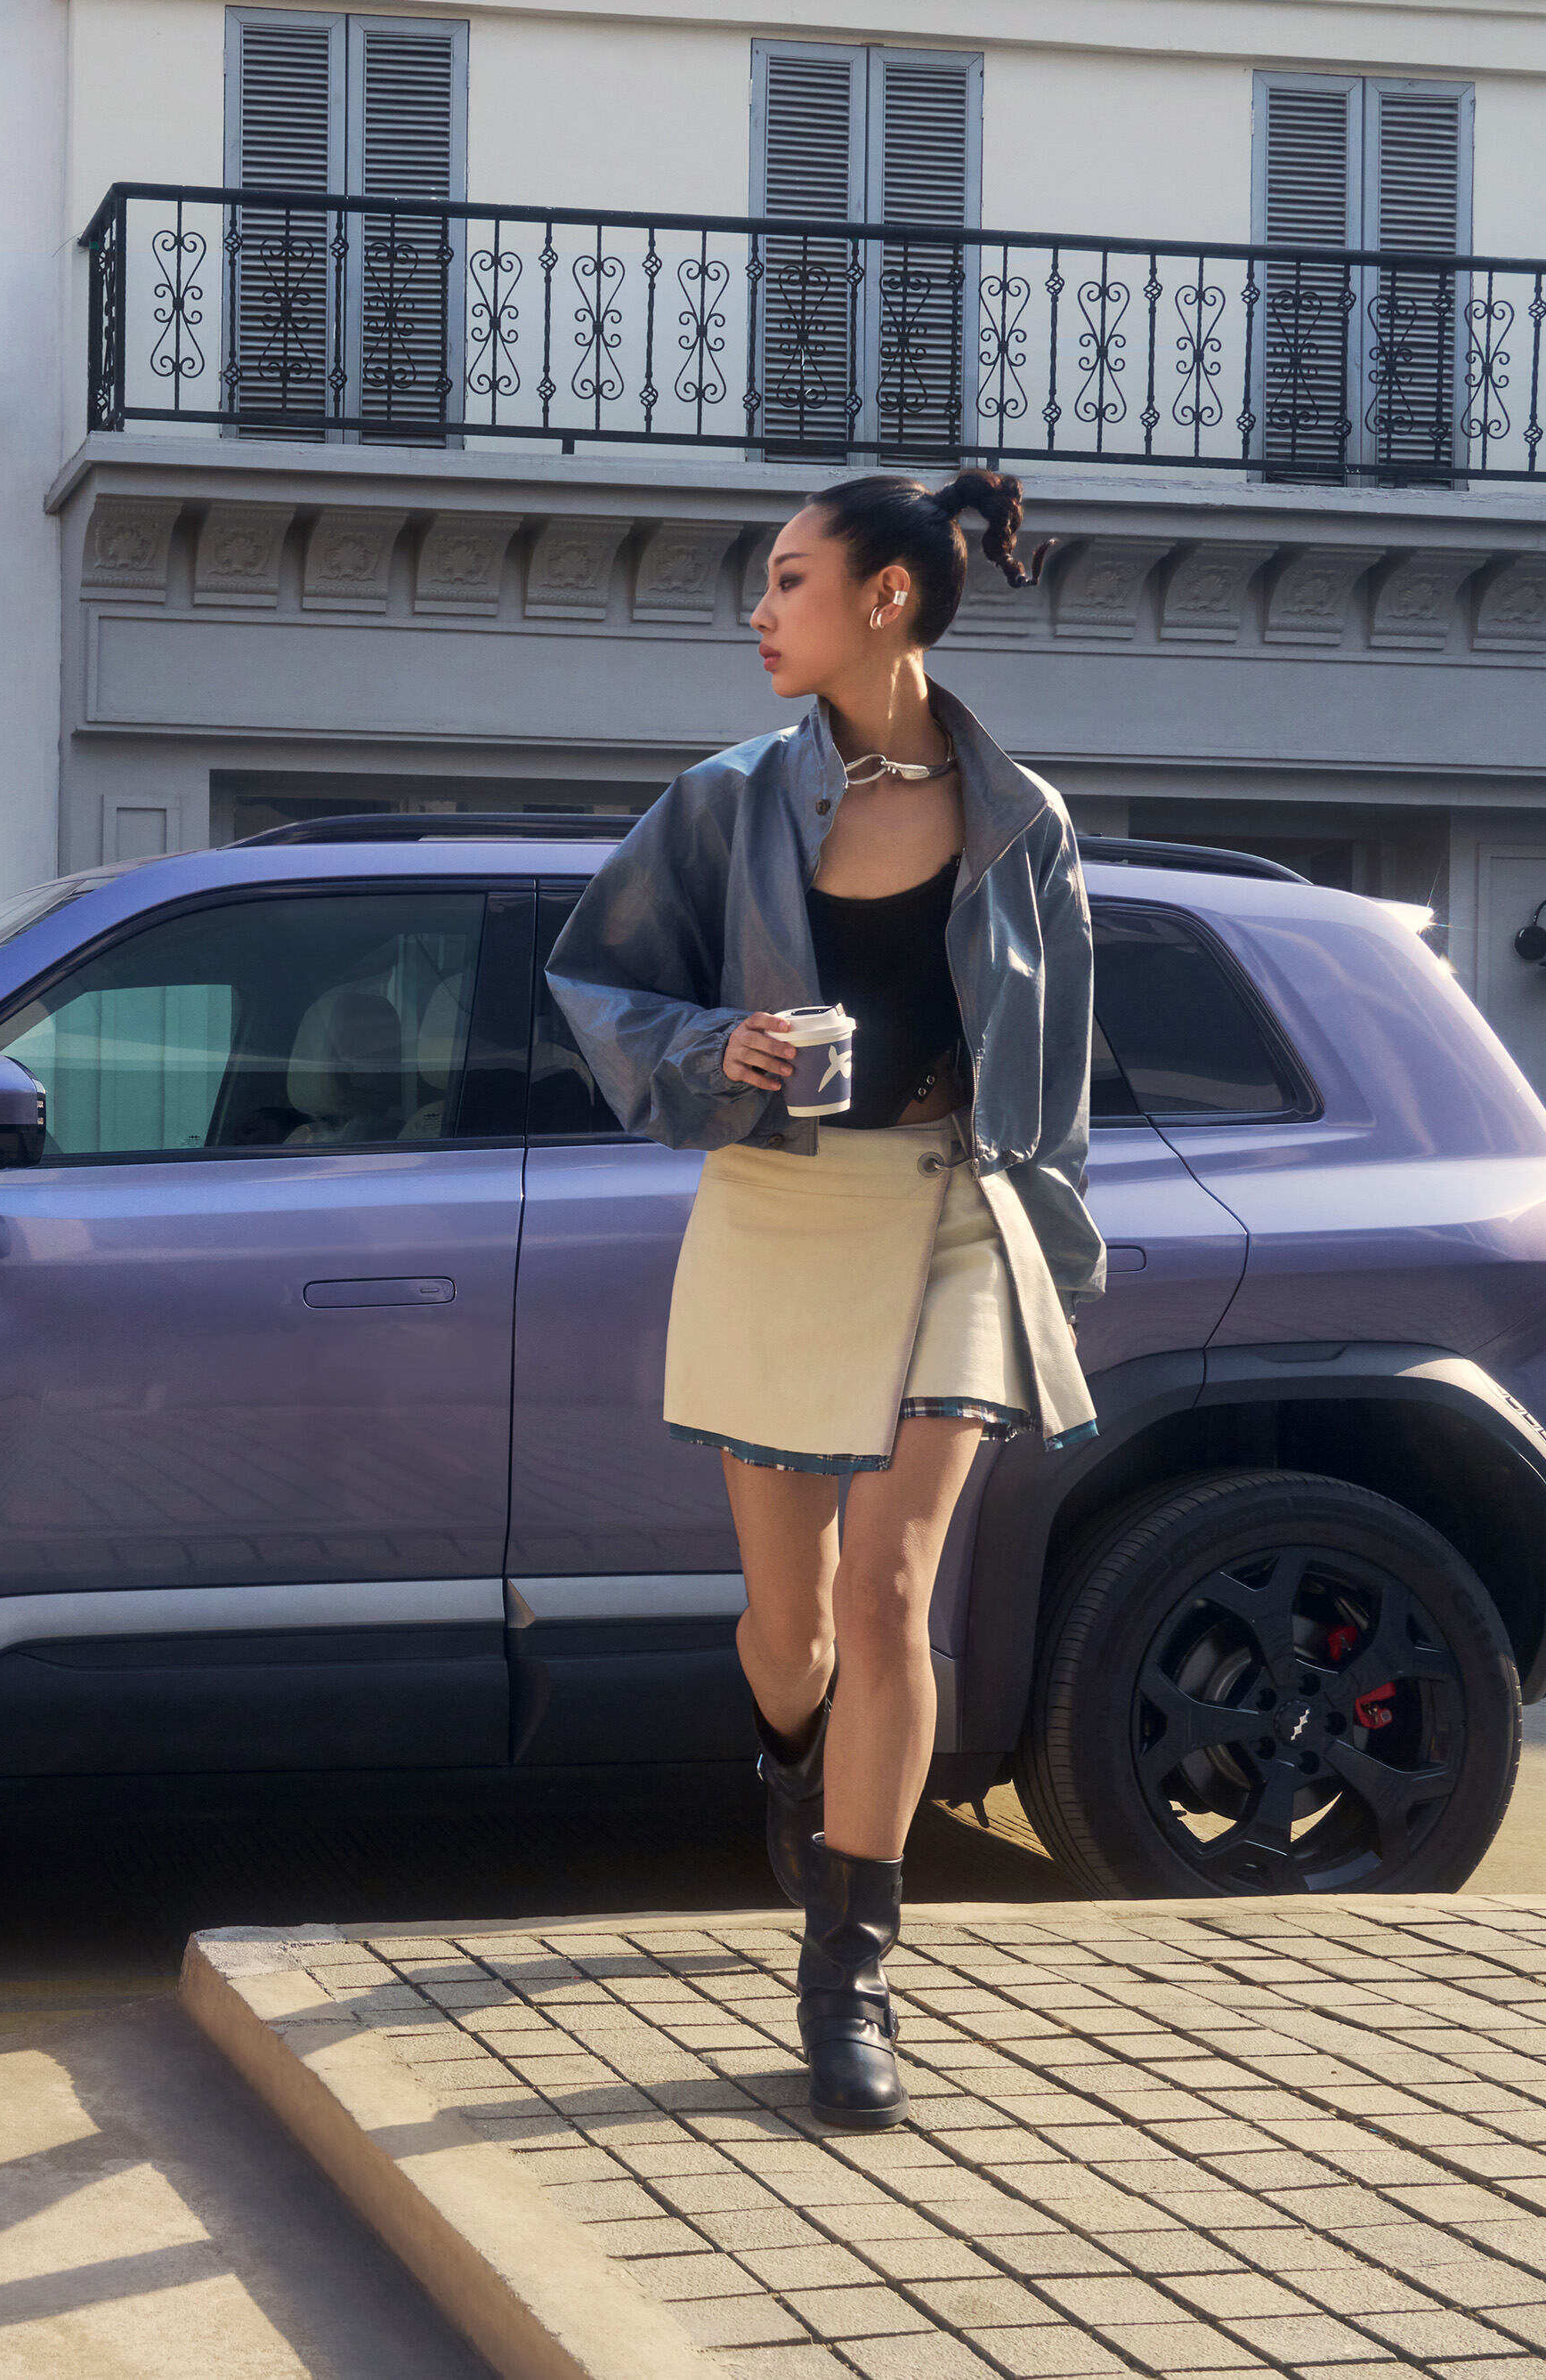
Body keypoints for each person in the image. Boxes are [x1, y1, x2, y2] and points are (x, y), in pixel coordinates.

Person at [542, 469, 1102, 2133]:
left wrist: (1053, 1258)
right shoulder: (725, 805)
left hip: (953, 1206)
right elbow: (595, 984)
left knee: (893, 1590)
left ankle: (849, 1971)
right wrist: (721, 1047)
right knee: (791, 1636)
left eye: (789, 579)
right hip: (783, 1208)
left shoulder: (1025, 823)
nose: (760, 608)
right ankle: (800, 1769)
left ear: (886, 599)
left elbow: (1058, 1082)